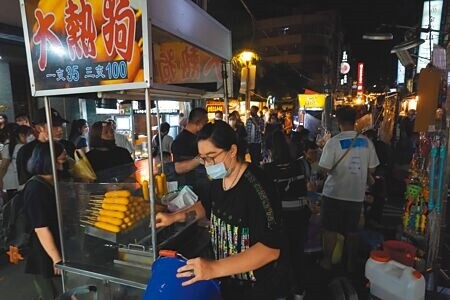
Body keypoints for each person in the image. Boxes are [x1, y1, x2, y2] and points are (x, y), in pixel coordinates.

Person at [156, 121, 286, 299]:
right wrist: (174, 217)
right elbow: (206, 206)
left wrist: (213, 268)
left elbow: (270, 249)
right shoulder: (218, 179)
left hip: (254, 288)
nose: (208, 164)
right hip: (226, 282)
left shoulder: (258, 186)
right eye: (203, 158)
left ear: (232, 151)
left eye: (212, 156)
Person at [318, 106, 379, 272]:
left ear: (338, 122)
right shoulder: (367, 142)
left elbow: (324, 168)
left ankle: (327, 261)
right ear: (355, 122)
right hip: (356, 195)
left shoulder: (333, 142)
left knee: (330, 230)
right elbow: (372, 169)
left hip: (333, 194)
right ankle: (351, 263)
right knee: (353, 231)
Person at [263, 130, 311, 298]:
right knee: (297, 252)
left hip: (279, 218)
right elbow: (307, 187)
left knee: (279, 256)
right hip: (300, 215)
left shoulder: (266, 169)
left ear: (270, 150)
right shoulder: (302, 164)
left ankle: (281, 293)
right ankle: (299, 291)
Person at [24, 142, 66, 300]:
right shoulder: (35, 188)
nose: (65, 158)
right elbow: (41, 228)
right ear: (49, 159)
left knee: (68, 291)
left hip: (59, 246)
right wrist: (57, 259)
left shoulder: (55, 181)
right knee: (50, 294)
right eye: (61, 156)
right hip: (44, 252)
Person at [16, 107, 73, 185]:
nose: (60, 129)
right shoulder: (26, 151)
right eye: (54, 126)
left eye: (61, 125)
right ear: (39, 128)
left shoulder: (68, 146)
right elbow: (24, 181)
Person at [171, 108, 208, 189]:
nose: (206, 125)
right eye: (206, 122)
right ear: (199, 122)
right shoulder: (180, 141)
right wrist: (200, 158)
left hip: (201, 183)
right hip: (188, 186)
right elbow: (178, 168)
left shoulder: (198, 137)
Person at [0, 125, 33, 199]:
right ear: (21, 135)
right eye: (29, 134)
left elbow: (3, 167)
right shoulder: (11, 147)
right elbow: (3, 167)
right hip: (17, 183)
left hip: (12, 183)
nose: (31, 137)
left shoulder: (11, 147)